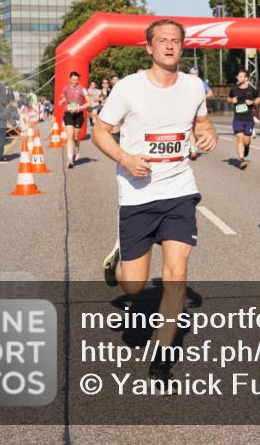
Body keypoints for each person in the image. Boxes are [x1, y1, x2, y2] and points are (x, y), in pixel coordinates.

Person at [92, 19, 218, 385]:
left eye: (175, 41)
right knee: (133, 285)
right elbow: (101, 131)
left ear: (183, 47)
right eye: (161, 41)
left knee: (176, 274)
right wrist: (124, 158)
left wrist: (207, 135)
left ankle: (161, 361)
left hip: (179, 190)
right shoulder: (129, 88)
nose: (168, 46)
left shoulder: (194, 86)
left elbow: (202, 124)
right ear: (148, 48)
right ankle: (119, 257)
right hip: (138, 194)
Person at [227, 69, 260, 169]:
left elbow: (258, 99)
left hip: (249, 119)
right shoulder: (234, 90)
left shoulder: (251, 90)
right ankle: (241, 160)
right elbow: (228, 99)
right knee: (240, 138)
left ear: (246, 78)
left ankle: (247, 147)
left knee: (246, 141)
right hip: (237, 119)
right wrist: (231, 100)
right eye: (238, 76)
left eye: (241, 76)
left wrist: (253, 102)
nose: (238, 78)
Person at [59, 71, 92, 169]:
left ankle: (77, 149)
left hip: (78, 115)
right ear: (70, 79)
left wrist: (79, 108)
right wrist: (62, 101)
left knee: (76, 137)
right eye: (73, 79)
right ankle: (70, 159)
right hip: (68, 113)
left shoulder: (82, 89)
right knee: (70, 136)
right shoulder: (65, 88)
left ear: (78, 80)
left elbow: (89, 102)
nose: (74, 81)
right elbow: (66, 98)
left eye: (76, 80)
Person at [188, 67, 215, 160]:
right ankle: (193, 148)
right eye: (192, 74)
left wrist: (200, 98)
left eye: (196, 73)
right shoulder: (186, 82)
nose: (194, 75)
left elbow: (211, 94)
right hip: (187, 107)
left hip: (199, 109)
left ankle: (193, 147)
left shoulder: (201, 83)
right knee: (190, 127)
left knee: (194, 128)